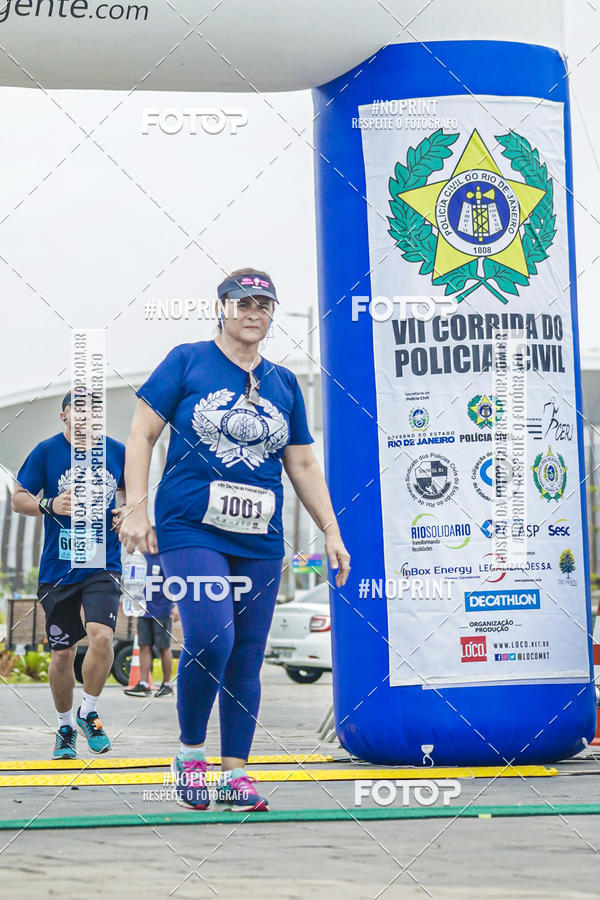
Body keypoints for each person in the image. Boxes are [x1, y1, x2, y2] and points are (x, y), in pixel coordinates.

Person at [119, 267, 350, 812]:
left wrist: (331, 531)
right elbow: (141, 433)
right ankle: (190, 757)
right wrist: (134, 506)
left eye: (263, 306)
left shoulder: (283, 382)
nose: (253, 313)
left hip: (259, 536)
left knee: (246, 655)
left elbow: (302, 462)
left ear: (272, 316)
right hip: (189, 526)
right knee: (211, 637)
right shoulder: (187, 360)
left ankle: (235, 773)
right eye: (242, 303)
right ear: (221, 307)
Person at [12, 388, 126, 759]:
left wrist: (125, 511)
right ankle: (64, 726)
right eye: (78, 411)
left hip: (103, 563)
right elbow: (19, 498)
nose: (87, 418)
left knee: (102, 637)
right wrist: (48, 503)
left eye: (94, 413)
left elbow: (130, 492)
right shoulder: (46, 452)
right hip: (58, 568)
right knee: (62, 654)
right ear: (64, 417)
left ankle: (88, 712)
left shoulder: (117, 451)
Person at [124, 549, 179, 698]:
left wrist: (175, 605)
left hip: (162, 610)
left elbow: (175, 582)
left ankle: (167, 684)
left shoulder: (165, 557)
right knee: (144, 646)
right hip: (144, 610)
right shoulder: (141, 557)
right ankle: (144, 684)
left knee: (163, 647)